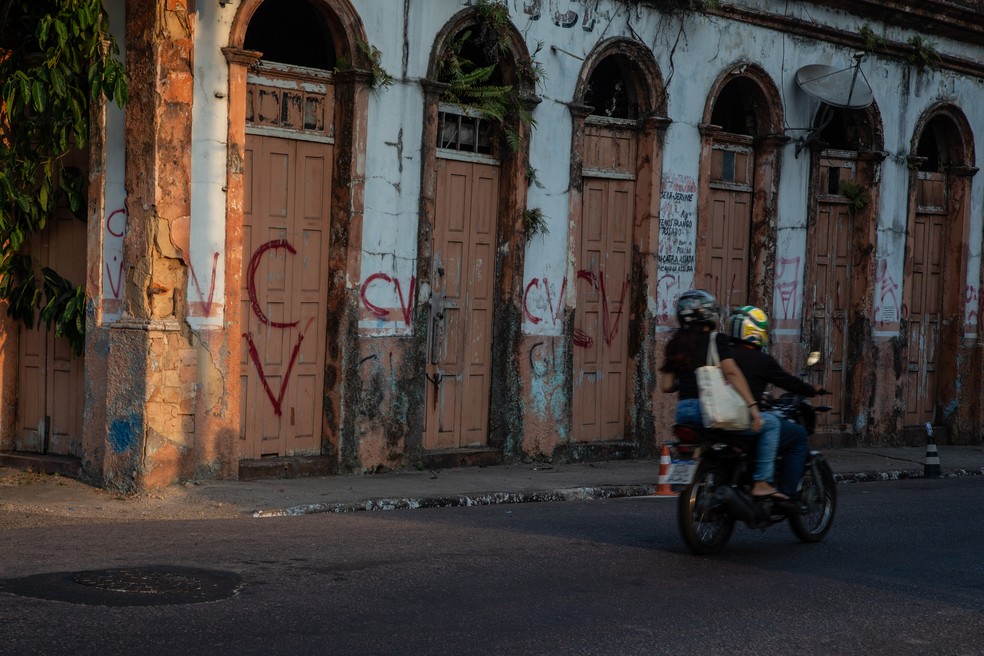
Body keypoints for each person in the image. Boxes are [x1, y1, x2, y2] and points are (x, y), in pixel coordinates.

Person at [659, 290, 785, 500]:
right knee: (770, 424)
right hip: (708, 411)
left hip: (683, 414)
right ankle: (761, 482)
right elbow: (732, 373)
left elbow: (667, 385)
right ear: (709, 315)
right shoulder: (716, 340)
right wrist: (753, 407)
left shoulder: (676, 343)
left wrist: (688, 377)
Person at [726, 305, 824, 499]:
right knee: (797, 436)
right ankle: (786, 493)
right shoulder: (761, 360)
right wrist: (812, 389)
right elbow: (788, 381)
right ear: (756, 333)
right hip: (745, 419)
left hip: (720, 417)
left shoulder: (723, 356)